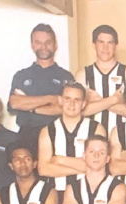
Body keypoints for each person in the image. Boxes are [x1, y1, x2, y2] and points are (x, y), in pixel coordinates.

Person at [7, 23, 75, 151]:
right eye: (38, 42)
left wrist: (31, 107)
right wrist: (50, 98)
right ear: (32, 45)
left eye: (48, 42)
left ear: (55, 45)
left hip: (57, 134)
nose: (43, 47)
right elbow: (15, 103)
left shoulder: (66, 76)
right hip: (27, 136)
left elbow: (65, 108)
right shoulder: (21, 75)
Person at [37, 81, 104, 194]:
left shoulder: (96, 129)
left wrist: (60, 160)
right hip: (57, 192)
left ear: (84, 104)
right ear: (60, 100)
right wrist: (82, 170)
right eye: (67, 99)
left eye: (77, 100)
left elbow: (98, 165)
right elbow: (43, 169)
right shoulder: (47, 131)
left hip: (89, 192)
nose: (72, 104)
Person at [77, 24, 126, 131]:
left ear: (116, 46)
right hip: (91, 136)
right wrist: (114, 100)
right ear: (94, 45)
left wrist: (97, 102)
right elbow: (78, 111)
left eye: (110, 43)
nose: (105, 48)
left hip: (122, 135)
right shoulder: (83, 74)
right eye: (101, 42)